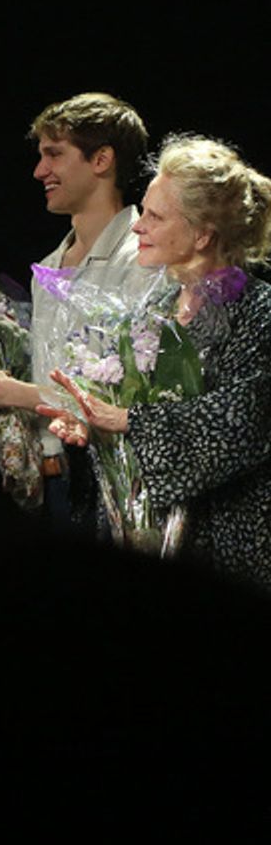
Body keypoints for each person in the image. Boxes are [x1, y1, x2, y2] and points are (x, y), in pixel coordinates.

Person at [39, 135, 271, 593]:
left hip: (226, 544)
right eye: (143, 211)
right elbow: (124, 409)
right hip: (143, 533)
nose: (138, 227)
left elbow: (243, 421)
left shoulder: (259, 311)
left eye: (155, 217)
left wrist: (127, 420)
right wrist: (90, 426)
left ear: (202, 234)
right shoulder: (152, 309)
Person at [0, 93, 153, 523]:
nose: (40, 171)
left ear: (101, 160)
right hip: (57, 486)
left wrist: (9, 391)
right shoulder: (48, 268)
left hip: (119, 484)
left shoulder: (142, 258)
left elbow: (132, 395)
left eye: (54, 154)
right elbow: (56, 377)